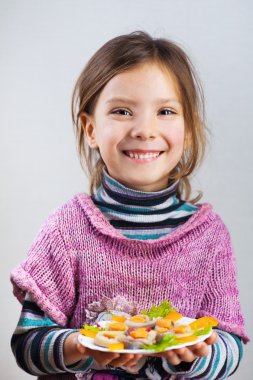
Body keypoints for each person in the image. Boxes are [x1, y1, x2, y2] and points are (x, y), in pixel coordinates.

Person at [10, 30, 249, 380]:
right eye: (122, 111)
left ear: (190, 131)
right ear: (90, 128)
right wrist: (79, 346)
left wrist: (192, 356)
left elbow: (231, 344)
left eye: (165, 111)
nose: (144, 129)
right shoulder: (65, 229)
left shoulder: (209, 237)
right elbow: (28, 345)